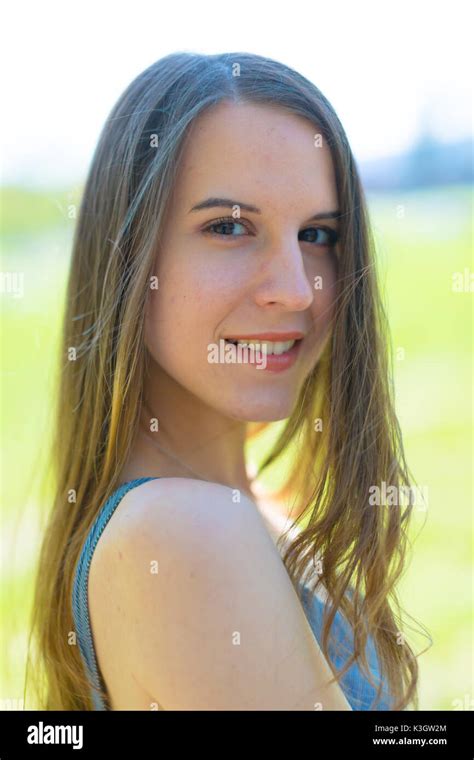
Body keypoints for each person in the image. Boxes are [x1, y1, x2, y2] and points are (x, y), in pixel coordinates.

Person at [27, 51, 422, 711]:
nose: (296, 290)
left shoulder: (252, 502)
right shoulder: (184, 534)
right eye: (230, 227)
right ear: (129, 260)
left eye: (319, 234)